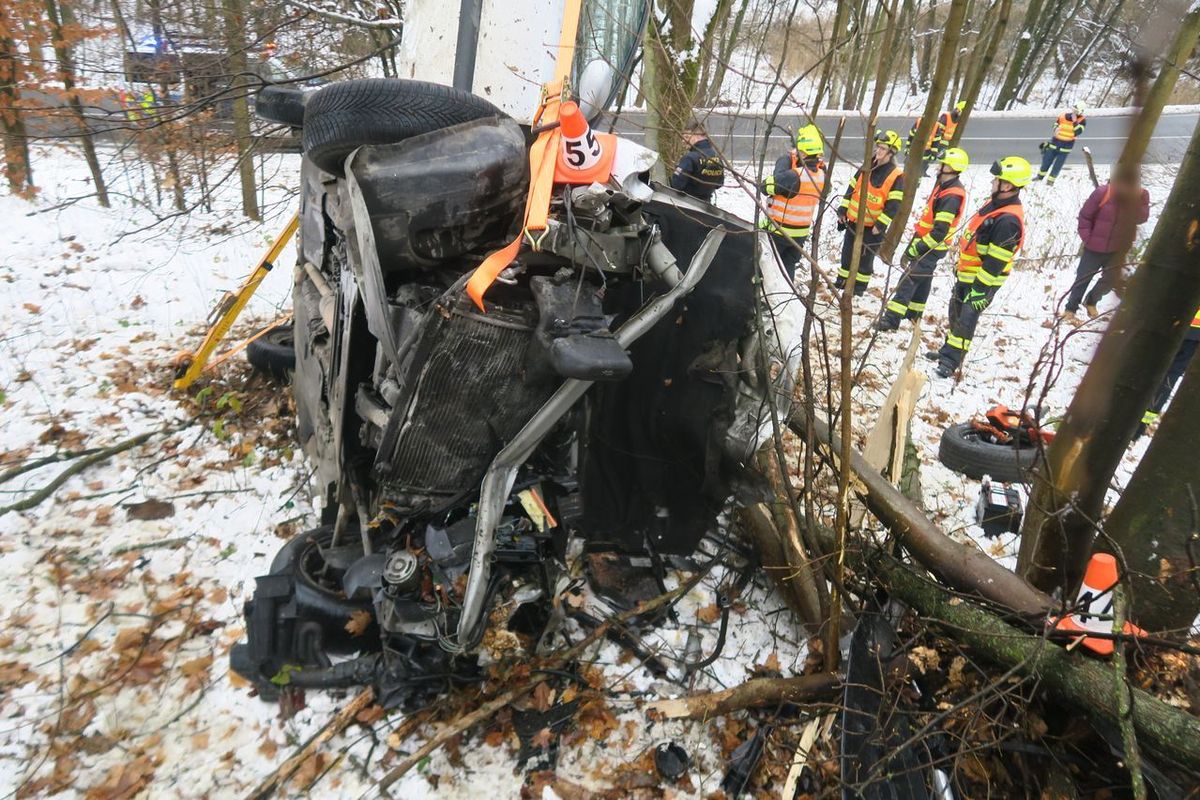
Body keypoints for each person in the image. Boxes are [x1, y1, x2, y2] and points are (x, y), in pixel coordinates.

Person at [928, 156, 1030, 378]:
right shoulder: (995, 205)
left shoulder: (1008, 221)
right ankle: (948, 350)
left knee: (966, 318)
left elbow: (995, 262)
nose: (993, 183)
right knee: (955, 314)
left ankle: (950, 362)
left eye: (997, 180)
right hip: (968, 274)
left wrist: (980, 288)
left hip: (982, 281)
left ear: (1009, 185)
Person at [876, 147, 969, 331]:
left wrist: (917, 247)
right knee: (923, 279)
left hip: (931, 245)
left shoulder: (951, 195)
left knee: (908, 279)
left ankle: (891, 320)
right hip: (930, 243)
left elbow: (940, 231)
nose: (938, 167)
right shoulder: (945, 188)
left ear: (951, 168)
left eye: (942, 164)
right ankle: (913, 314)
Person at [1063, 171, 1150, 321]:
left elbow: (1141, 218)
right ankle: (1070, 308)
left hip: (1118, 249)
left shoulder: (1137, 198)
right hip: (1094, 247)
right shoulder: (1102, 193)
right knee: (1083, 278)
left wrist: (1141, 200)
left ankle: (1091, 300)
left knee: (1111, 279)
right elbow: (1085, 216)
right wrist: (1088, 238)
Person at [835, 129, 904, 297]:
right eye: (878, 147)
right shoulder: (868, 165)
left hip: (872, 227)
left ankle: (858, 289)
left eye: (882, 148)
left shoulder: (896, 175)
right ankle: (841, 282)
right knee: (847, 254)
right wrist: (843, 210)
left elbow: (893, 205)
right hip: (853, 221)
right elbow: (852, 187)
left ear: (891, 152)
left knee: (865, 261)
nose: (878, 151)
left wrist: (880, 225)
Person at [759, 123, 826, 280]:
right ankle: (785, 299)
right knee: (787, 270)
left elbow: (765, 187)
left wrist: (785, 163)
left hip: (779, 231)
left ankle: (763, 297)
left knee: (768, 268)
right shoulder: (822, 176)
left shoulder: (793, 176)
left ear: (802, 153)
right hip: (800, 235)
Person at [1137, 308, 1200, 438]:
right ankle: (1141, 424)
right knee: (1169, 378)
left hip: (1177, 322)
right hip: (1192, 334)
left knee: (1153, 366)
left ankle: (1134, 416)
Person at [670, 120, 725, 203]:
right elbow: (719, 183)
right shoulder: (716, 157)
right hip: (706, 206)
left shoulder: (689, 158)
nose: (683, 141)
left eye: (687, 137)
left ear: (697, 136)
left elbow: (677, 184)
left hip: (687, 204)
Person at [1034, 102, 1086, 185]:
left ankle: (1050, 181)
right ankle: (1040, 176)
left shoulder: (1082, 120)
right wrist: (1055, 128)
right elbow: (1056, 123)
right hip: (1054, 144)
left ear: (1081, 111)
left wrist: (1075, 122)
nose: (1074, 112)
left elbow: (1078, 132)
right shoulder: (1063, 116)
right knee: (1046, 161)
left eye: (1077, 111)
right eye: (1074, 110)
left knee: (1057, 165)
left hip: (1066, 147)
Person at [906, 100, 965, 166]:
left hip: (944, 142)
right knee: (933, 157)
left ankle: (924, 169)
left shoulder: (958, 119)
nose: (960, 114)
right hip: (940, 141)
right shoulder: (946, 117)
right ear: (957, 110)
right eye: (960, 112)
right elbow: (939, 131)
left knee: (931, 158)